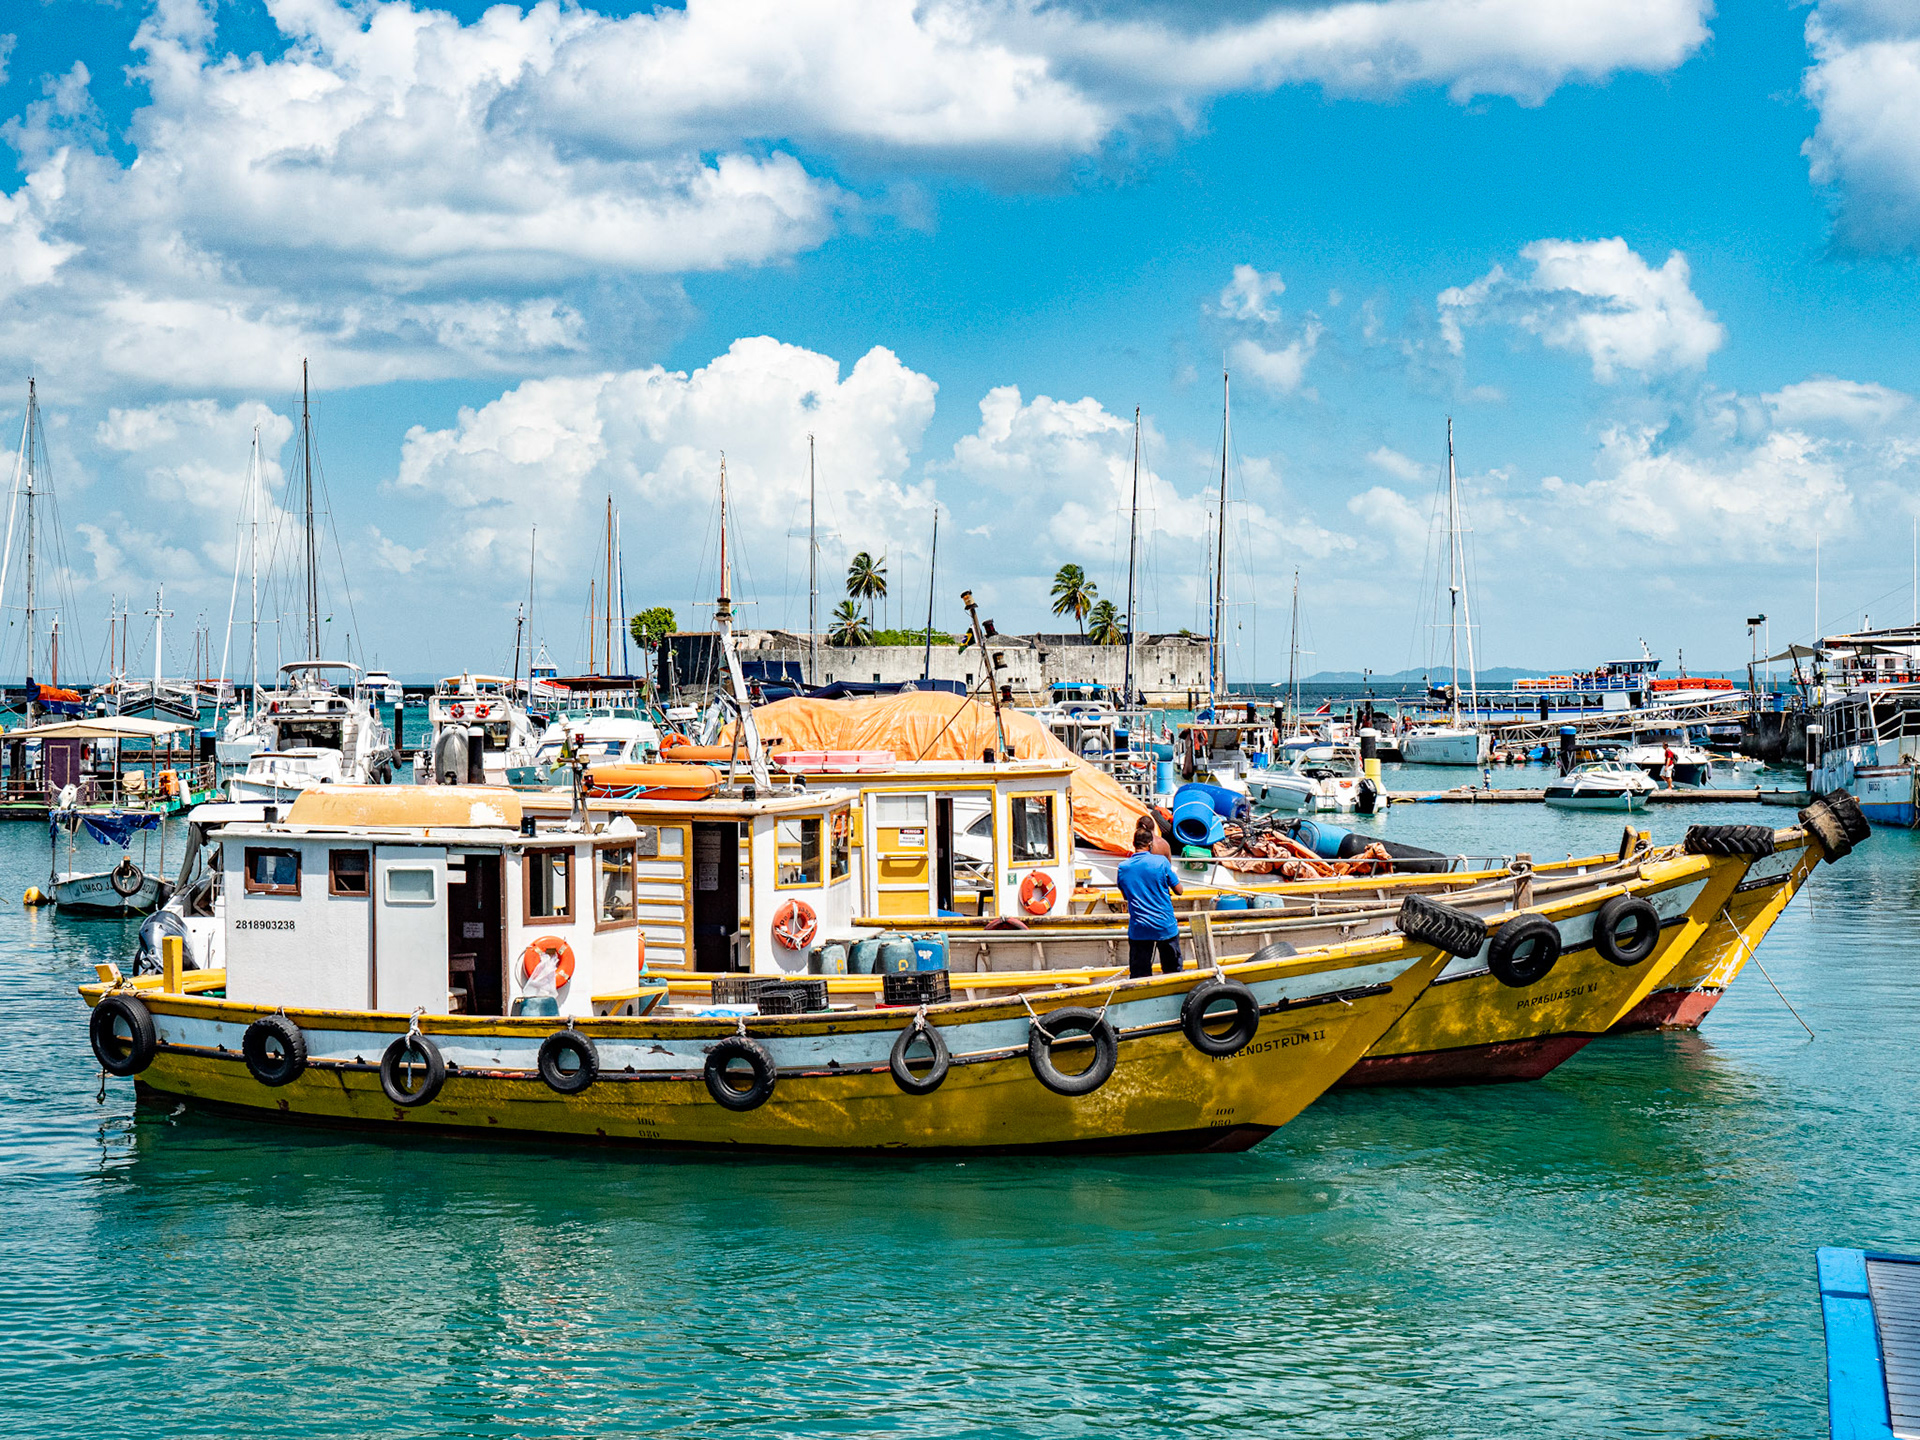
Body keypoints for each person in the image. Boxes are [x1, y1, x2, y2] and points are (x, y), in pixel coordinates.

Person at [1116, 815, 1183, 978]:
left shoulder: (1123, 868)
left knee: (1139, 976)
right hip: (1164, 925)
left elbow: (1126, 896)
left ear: (1133, 844)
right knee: (1172, 973)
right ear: (1150, 844)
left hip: (1140, 929)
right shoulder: (1161, 862)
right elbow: (1179, 890)